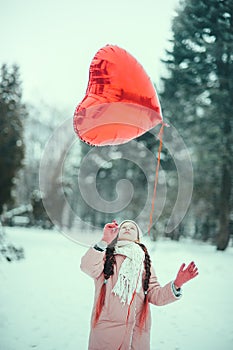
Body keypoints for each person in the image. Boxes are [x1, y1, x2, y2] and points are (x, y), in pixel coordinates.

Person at [80, 220, 198, 350]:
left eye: (132, 228)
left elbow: (155, 295)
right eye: (124, 227)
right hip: (107, 332)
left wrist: (177, 284)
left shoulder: (144, 261)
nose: (128, 229)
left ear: (138, 237)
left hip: (136, 336)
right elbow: (88, 267)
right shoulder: (106, 255)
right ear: (117, 233)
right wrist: (104, 241)